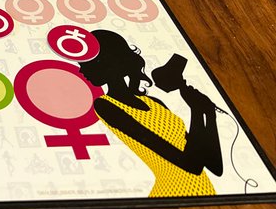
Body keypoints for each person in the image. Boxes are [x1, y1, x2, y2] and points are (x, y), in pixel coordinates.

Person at [78, 30, 222, 198]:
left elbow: (214, 166)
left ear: (109, 61)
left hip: (205, 190)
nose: (81, 70)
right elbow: (192, 166)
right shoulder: (106, 106)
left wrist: (208, 113)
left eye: (87, 63)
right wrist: (196, 111)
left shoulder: (154, 102)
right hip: (173, 192)